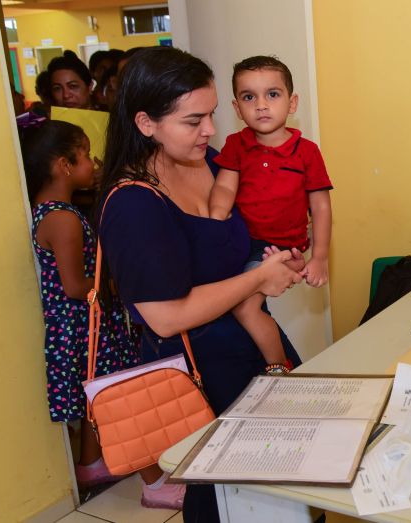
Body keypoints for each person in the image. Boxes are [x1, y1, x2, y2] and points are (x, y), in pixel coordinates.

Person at [97, 46, 304, 517]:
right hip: (200, 376)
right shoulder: (134, 204)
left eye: (210, 115)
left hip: (252, 348)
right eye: (193, 121)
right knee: (225, 500)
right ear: (146, 122)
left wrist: (279, 259)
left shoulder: (211, 162)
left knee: (286, 490)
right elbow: (166, 317)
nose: (210, 130)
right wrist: (256, 279)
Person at [20, 120, 139, 489]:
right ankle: (91, 462)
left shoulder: (54, 212)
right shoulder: (63, 219)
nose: (93, 161)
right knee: (98, 391)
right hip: (81, 323)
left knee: (97, 389)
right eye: (85, 154)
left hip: (85, 321)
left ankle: (94, 459)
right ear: (63, 165)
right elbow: (74, 286)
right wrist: (113, 287)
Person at [209, 55, 333, 374]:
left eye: (272, 95)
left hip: (284, 249)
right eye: (249, 97)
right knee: (233, 306)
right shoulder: (236, 145)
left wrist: (320, 257)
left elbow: (320, 207)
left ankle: (279, 369)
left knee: (245, 308)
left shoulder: (307, 152)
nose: (261, 105)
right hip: (244, 245)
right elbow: (224, 188)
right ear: (237, 108)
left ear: (292, 103)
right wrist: (215, 221)